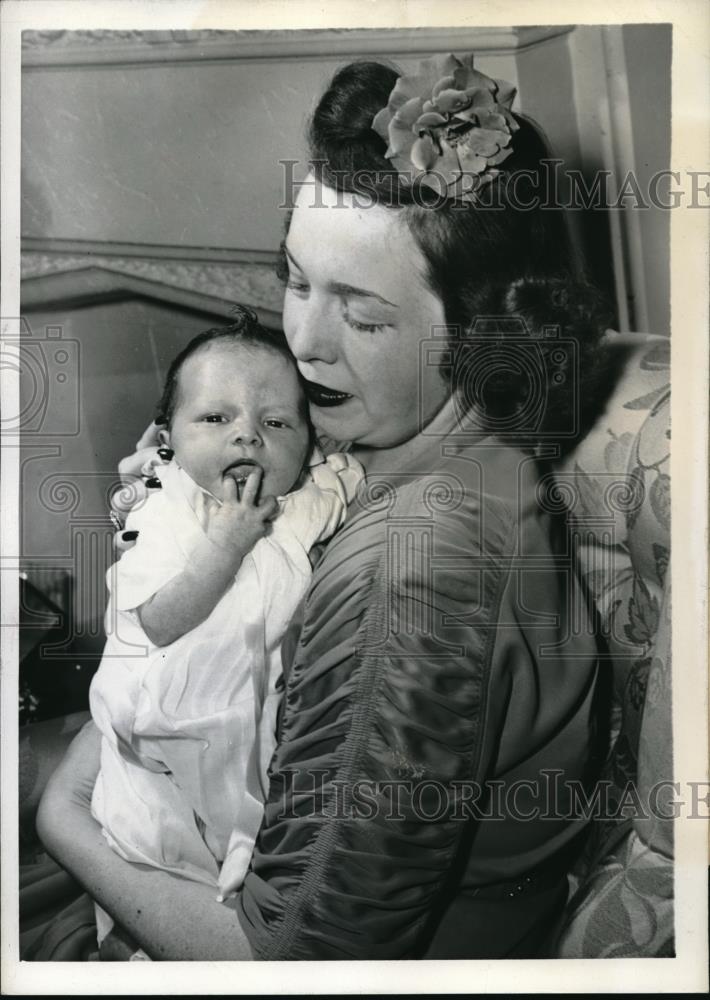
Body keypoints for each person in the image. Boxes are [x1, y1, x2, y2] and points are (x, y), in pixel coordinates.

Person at [36, 54, 611, 960]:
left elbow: (298, 964)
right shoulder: (443, 456)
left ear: (484, 335)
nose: (300, 343)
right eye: (296, 279)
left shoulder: (414, 573)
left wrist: (61, 818)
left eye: (364, 316)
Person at [89, 309, 363, 948]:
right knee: (150, 843)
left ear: (309, 442)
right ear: (168, 439)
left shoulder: (307, 499)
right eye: (215, 419)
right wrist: (224, 548)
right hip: (158, 731)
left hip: (248, 723)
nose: (246, 436)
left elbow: (351, 473)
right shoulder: (163, 508)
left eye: (275, 422)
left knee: (242, 846)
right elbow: (156, 620)